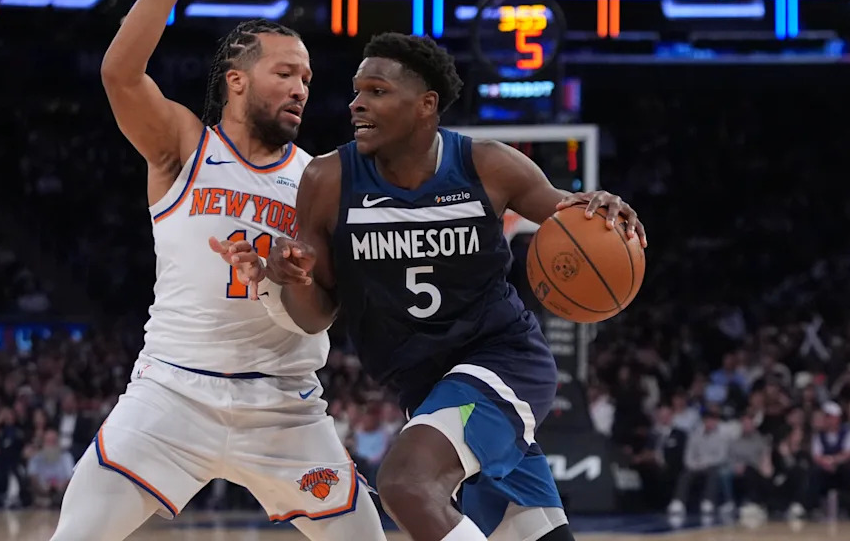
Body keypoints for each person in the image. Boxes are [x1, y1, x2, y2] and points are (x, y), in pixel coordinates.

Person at [223, 33, 647, 541]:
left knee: (406, 483)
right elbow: (317, 316)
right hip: (426, 389)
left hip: (501, 362)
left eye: (377, 91)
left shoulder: (487, 166)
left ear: (426, 105)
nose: (356, 103)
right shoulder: (329, 179)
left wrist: (602, 207)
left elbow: (571, 215)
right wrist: (290, 278)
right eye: (357, 91)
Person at [49, 0, 385, 541]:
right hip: (173, 394)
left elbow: (326, 308)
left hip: (286, 404)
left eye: (307, 78)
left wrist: (292, 279)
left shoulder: (321, 179)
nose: (300, 88)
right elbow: (120, 73)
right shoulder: (183, 146)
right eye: (284, 72)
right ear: (236, 81)